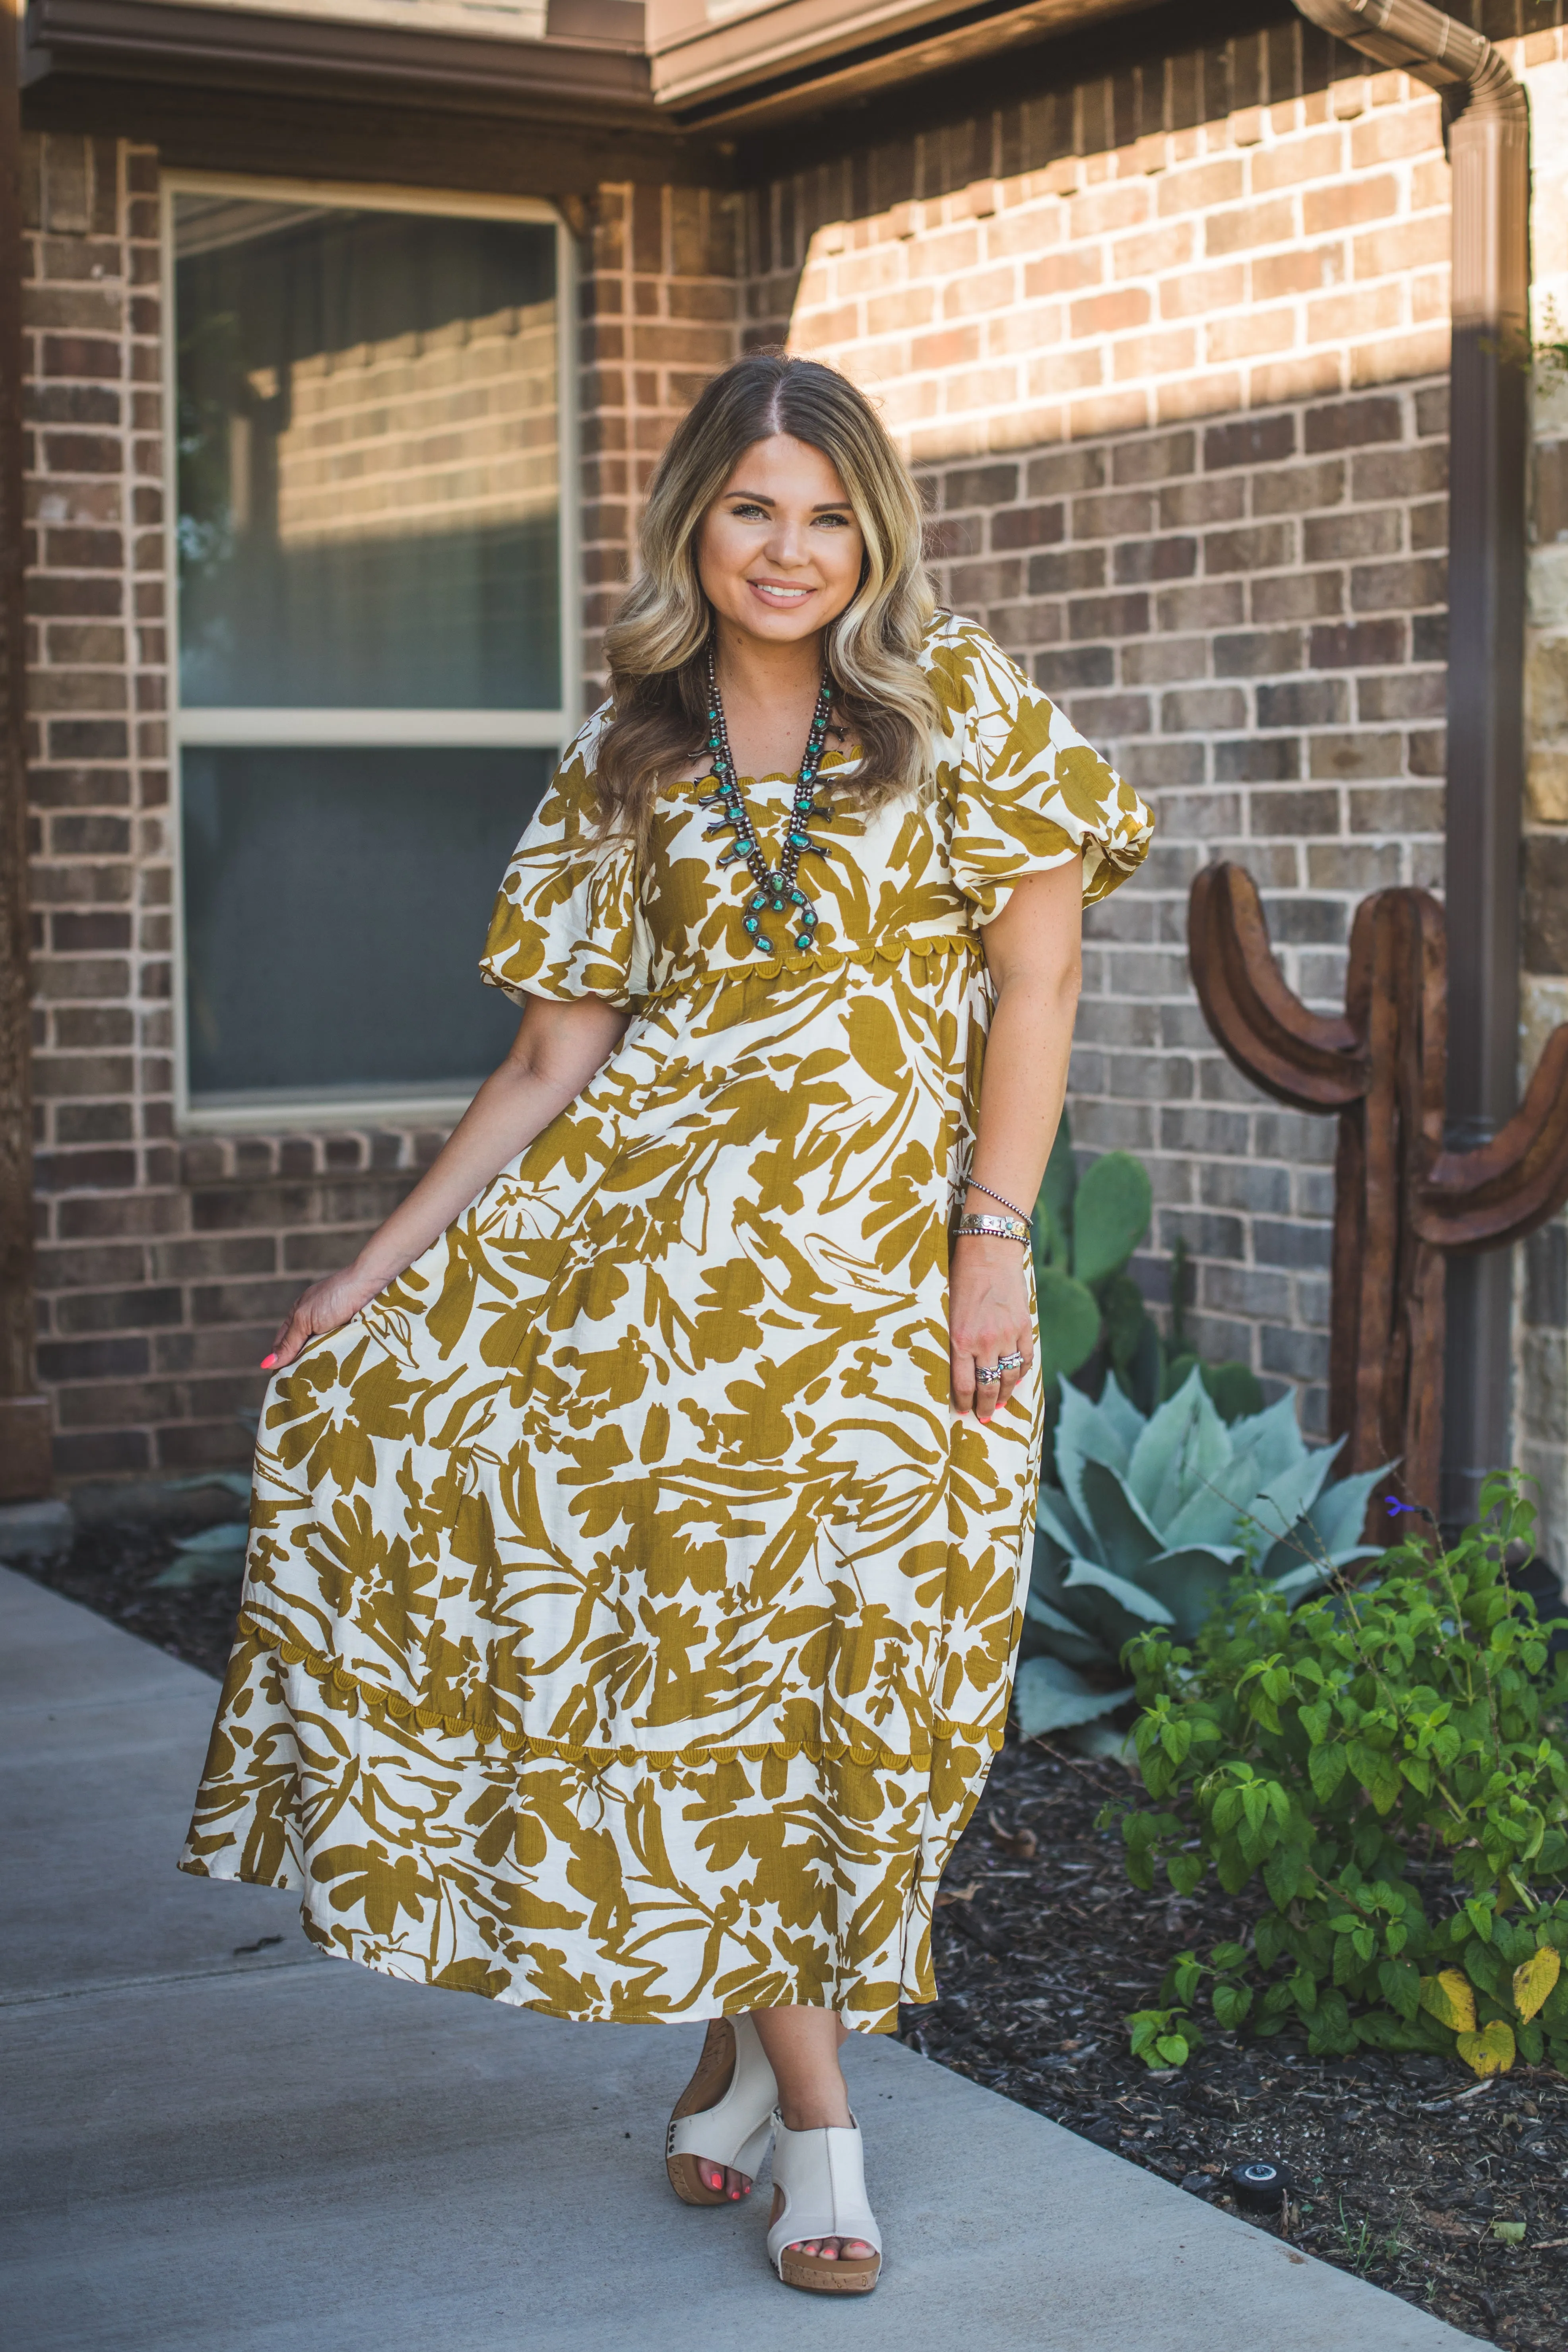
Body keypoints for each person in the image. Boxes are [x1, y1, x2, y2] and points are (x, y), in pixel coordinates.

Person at [182, 349, 1153, 2294]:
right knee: (718, 1675)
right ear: (691, 525)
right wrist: (374, 1270)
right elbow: (554, 1057)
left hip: (888, 1284)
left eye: (822, 513)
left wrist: (992, 1242)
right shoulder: (632, 746)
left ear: (868, 528)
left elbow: (1030, 990)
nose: (785, 551)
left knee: (870, 1676)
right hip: (648, 1291)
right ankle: (818, 2133)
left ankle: (721, 2061)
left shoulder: (962, 703)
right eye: (747, 509)